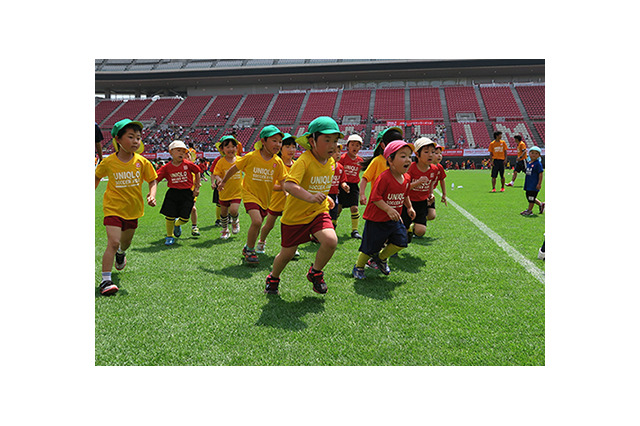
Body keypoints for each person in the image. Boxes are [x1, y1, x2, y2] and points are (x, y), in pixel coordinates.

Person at [265, 117, 343, 295]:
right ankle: (273, 277)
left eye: (335, 141)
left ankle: (315, 273)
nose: (332, 145)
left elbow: (319, 185)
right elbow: (289, 185)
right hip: (295, 217)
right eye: (327, 140)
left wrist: (326, 199)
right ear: (312, 141)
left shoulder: (331, 162)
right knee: (287, 255)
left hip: (317, 212)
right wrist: (309, 197)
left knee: (331, 241)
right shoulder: (304, 161)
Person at [95, 119, 158, 295]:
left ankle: (121, 253)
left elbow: (152, 179)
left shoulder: (142, 162)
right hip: (113, 208)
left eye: (138, 138)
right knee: (113, 242)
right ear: (118, 139)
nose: (136, 141)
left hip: (133, 210)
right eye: (131, 137)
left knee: (125, 243)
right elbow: (96, 177)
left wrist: (151, 195)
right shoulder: (108, 162)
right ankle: (106, 280)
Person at [218, 125, 286, 264]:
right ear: (263, 141)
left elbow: (284, 181)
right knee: (256, 221)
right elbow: (234, 169)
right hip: (249, 194)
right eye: (274, 140)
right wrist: (223, 182)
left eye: (280, 141)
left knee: (257, 225)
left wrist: (287, 194)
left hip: (265, 199)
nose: (278, 144)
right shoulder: (251, 157)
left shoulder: (278, 162)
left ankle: (247, 247)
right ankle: (250, 250)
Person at [352, 140, 415, 279]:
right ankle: (359, 266)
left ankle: (380, 258)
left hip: (393, 219)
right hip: (376, 219)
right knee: (370, 247)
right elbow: (375, 197)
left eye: (410, 156)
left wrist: (409, 207)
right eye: (403, 156)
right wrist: (388, 209)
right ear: (390, 161)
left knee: (401, 241)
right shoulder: (384, 178)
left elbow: (405, 195)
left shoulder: (407, 178)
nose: (408, 160)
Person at [257, 133, 297, 253]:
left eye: (293, 147)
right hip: (276, 201)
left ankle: (291, 247)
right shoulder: (276, 163)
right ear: (281, 149)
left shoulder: (296, 165)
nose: (291, 150)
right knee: (269, 225)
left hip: (291, 202)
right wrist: (285, 188)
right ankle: (261, 242)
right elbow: (271, 185)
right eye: (287, 147)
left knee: (291, 225)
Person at [156, 140, 202, 245]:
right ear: (171, 152)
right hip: (173, 193)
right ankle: (169, 236)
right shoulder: (166, 167)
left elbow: (197, 171)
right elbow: (156, 178)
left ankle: (177, 224)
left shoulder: (188, 164)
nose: (181, 153)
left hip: (187, 193)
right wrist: (151, 192)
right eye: (178, 150)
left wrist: (197, 187)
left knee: (185, 218)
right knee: (169, 216)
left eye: (183, 151)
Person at [402, 137, 438, 239]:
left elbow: (431, 183)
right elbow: (404, 187)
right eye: (426, 152)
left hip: (422, 202)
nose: (430, 154)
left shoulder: (434, 169)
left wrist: (431, 194)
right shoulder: (410, 168)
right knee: (401, 232)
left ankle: (413, 227)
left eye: (432, 152)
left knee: (420, 231)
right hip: (408, 202)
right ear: (417, 154)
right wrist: (418, 182)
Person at [359, 126, 403, 206]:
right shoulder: (378, 161)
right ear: (383, 145)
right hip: (377, 203)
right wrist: (362, 194)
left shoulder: (400, 162)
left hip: (394, 202)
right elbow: (365, 178)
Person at [212, 135, 243, 239]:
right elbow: (216, 173)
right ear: (222, 149)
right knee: (223, 213)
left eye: (233, 146)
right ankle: (225, 230)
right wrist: (218, 179)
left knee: (234, 210)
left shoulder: (240, 160)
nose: (231, 149)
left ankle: (235, 221)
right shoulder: (220, 162)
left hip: (237, 192)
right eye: (227, 147)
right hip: (224, 192)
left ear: (236, 148)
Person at [337, 134, 364, 239]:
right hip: (342, 185)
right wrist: (341, 184)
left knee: (354, 208)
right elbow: (338, 171)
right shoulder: (342, 158)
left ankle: (355, 231)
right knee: (338, 208)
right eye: (352, 144)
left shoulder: (360, 161)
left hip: (353, 186)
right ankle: (332, 225)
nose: (355, 147)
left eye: (357, 145)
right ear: (347, 146)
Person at [328, 143, 348, 228]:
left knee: (334, 213)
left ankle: (332, 230)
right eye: (334, 152)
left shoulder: (340, 167)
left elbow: (342, 180)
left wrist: (344, 186)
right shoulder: (326, 167)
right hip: (325, 194)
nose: (338, 154)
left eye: (339, 152)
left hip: (334, 195)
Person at [521, 146, 545, 216]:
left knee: (531, 198)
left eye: (536, 153)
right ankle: (541, 204)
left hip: (534, 185)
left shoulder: (538, 164)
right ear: (529, 154)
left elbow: (540, 174)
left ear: (539, 155)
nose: (534, 155)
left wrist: (539, 184)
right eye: (532, 153)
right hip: (528, 184)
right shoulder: (529, 163)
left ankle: (529, 210)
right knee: (529, 197)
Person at [427, 144, 448, 223]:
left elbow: (442, 180)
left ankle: (417, 223)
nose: (439, 156)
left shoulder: (440, 167)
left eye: (440, 153)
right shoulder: (425, 166)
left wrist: (444, 194)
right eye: (436, 153)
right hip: (420, 193)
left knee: (431, 215)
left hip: (430, 194)